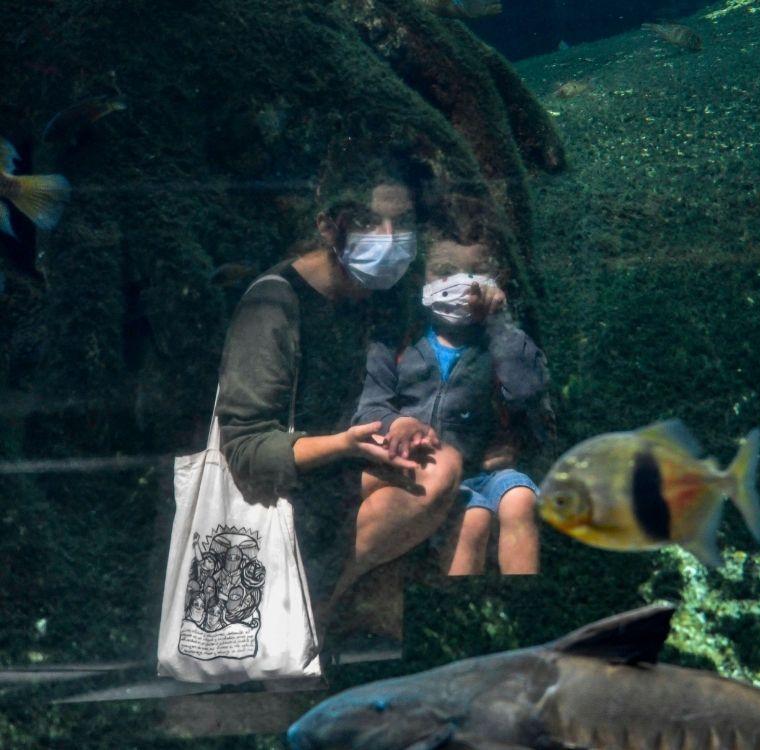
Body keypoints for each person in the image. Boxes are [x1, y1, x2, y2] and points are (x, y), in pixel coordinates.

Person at [215, 148, 440, 636]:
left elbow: (385, 390)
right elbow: (245, 450)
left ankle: (324, 604)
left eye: (401, 223)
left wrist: (398, 424)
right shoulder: (275, 304)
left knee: (439, 469)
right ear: (327, 225)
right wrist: (341, 446)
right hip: (281, 485)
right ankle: (309, 614)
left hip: (342, 468)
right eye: (367, 222)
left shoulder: (387, 297)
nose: (388, 240)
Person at [345, 235, 550, 581]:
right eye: (444, 271)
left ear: (497, 279)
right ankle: (458, 608)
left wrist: (499, 325)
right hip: (421, 471)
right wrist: (397, 424)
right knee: (474, 519)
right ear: (420, 277)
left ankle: (526, 602)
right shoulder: (396, 341)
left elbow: (528, 392)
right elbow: (369, 409)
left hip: (486, 470)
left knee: (520, 500)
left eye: (477, 272)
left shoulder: (502, 341)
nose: (462, 282)